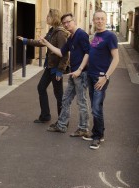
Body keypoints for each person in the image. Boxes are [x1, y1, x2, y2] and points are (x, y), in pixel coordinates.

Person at [39, 13, 90, 136]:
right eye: (64, 23)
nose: (66, 24)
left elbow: (88, 53)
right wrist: (47, 43)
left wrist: (80, 69)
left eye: (68, 21)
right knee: (65, 99)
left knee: (81, 102)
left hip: (81, 74)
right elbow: (61, 52)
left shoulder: (81, 34)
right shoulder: (71, 37)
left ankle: (83, 129)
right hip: (74, 73)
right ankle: (62, 125)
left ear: (74, 20)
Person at [17, 9, 69, 123]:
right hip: (50, 66)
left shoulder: (60, 33)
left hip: (56, 68)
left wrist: (60, 70)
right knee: (41, 88)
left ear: (53, 17)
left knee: (58, 94)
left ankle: (62, 120)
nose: (46, 18)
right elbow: (42, 42)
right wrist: (26, 40)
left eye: (48, 16)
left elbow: (64, 54)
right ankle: (45, 116)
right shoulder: (52, 31)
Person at [82, 10, 119, 150]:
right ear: (93, 20)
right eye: (97, 19)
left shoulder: (110, 36)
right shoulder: (95, 35)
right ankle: (98, 133)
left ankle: (97, 137)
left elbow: (116, 59)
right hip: (91, 75)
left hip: (100, 77)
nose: (99, 21)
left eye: (102, 19)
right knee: (96, 107)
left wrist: (106, 77)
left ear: (105, 20)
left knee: (96, 108)